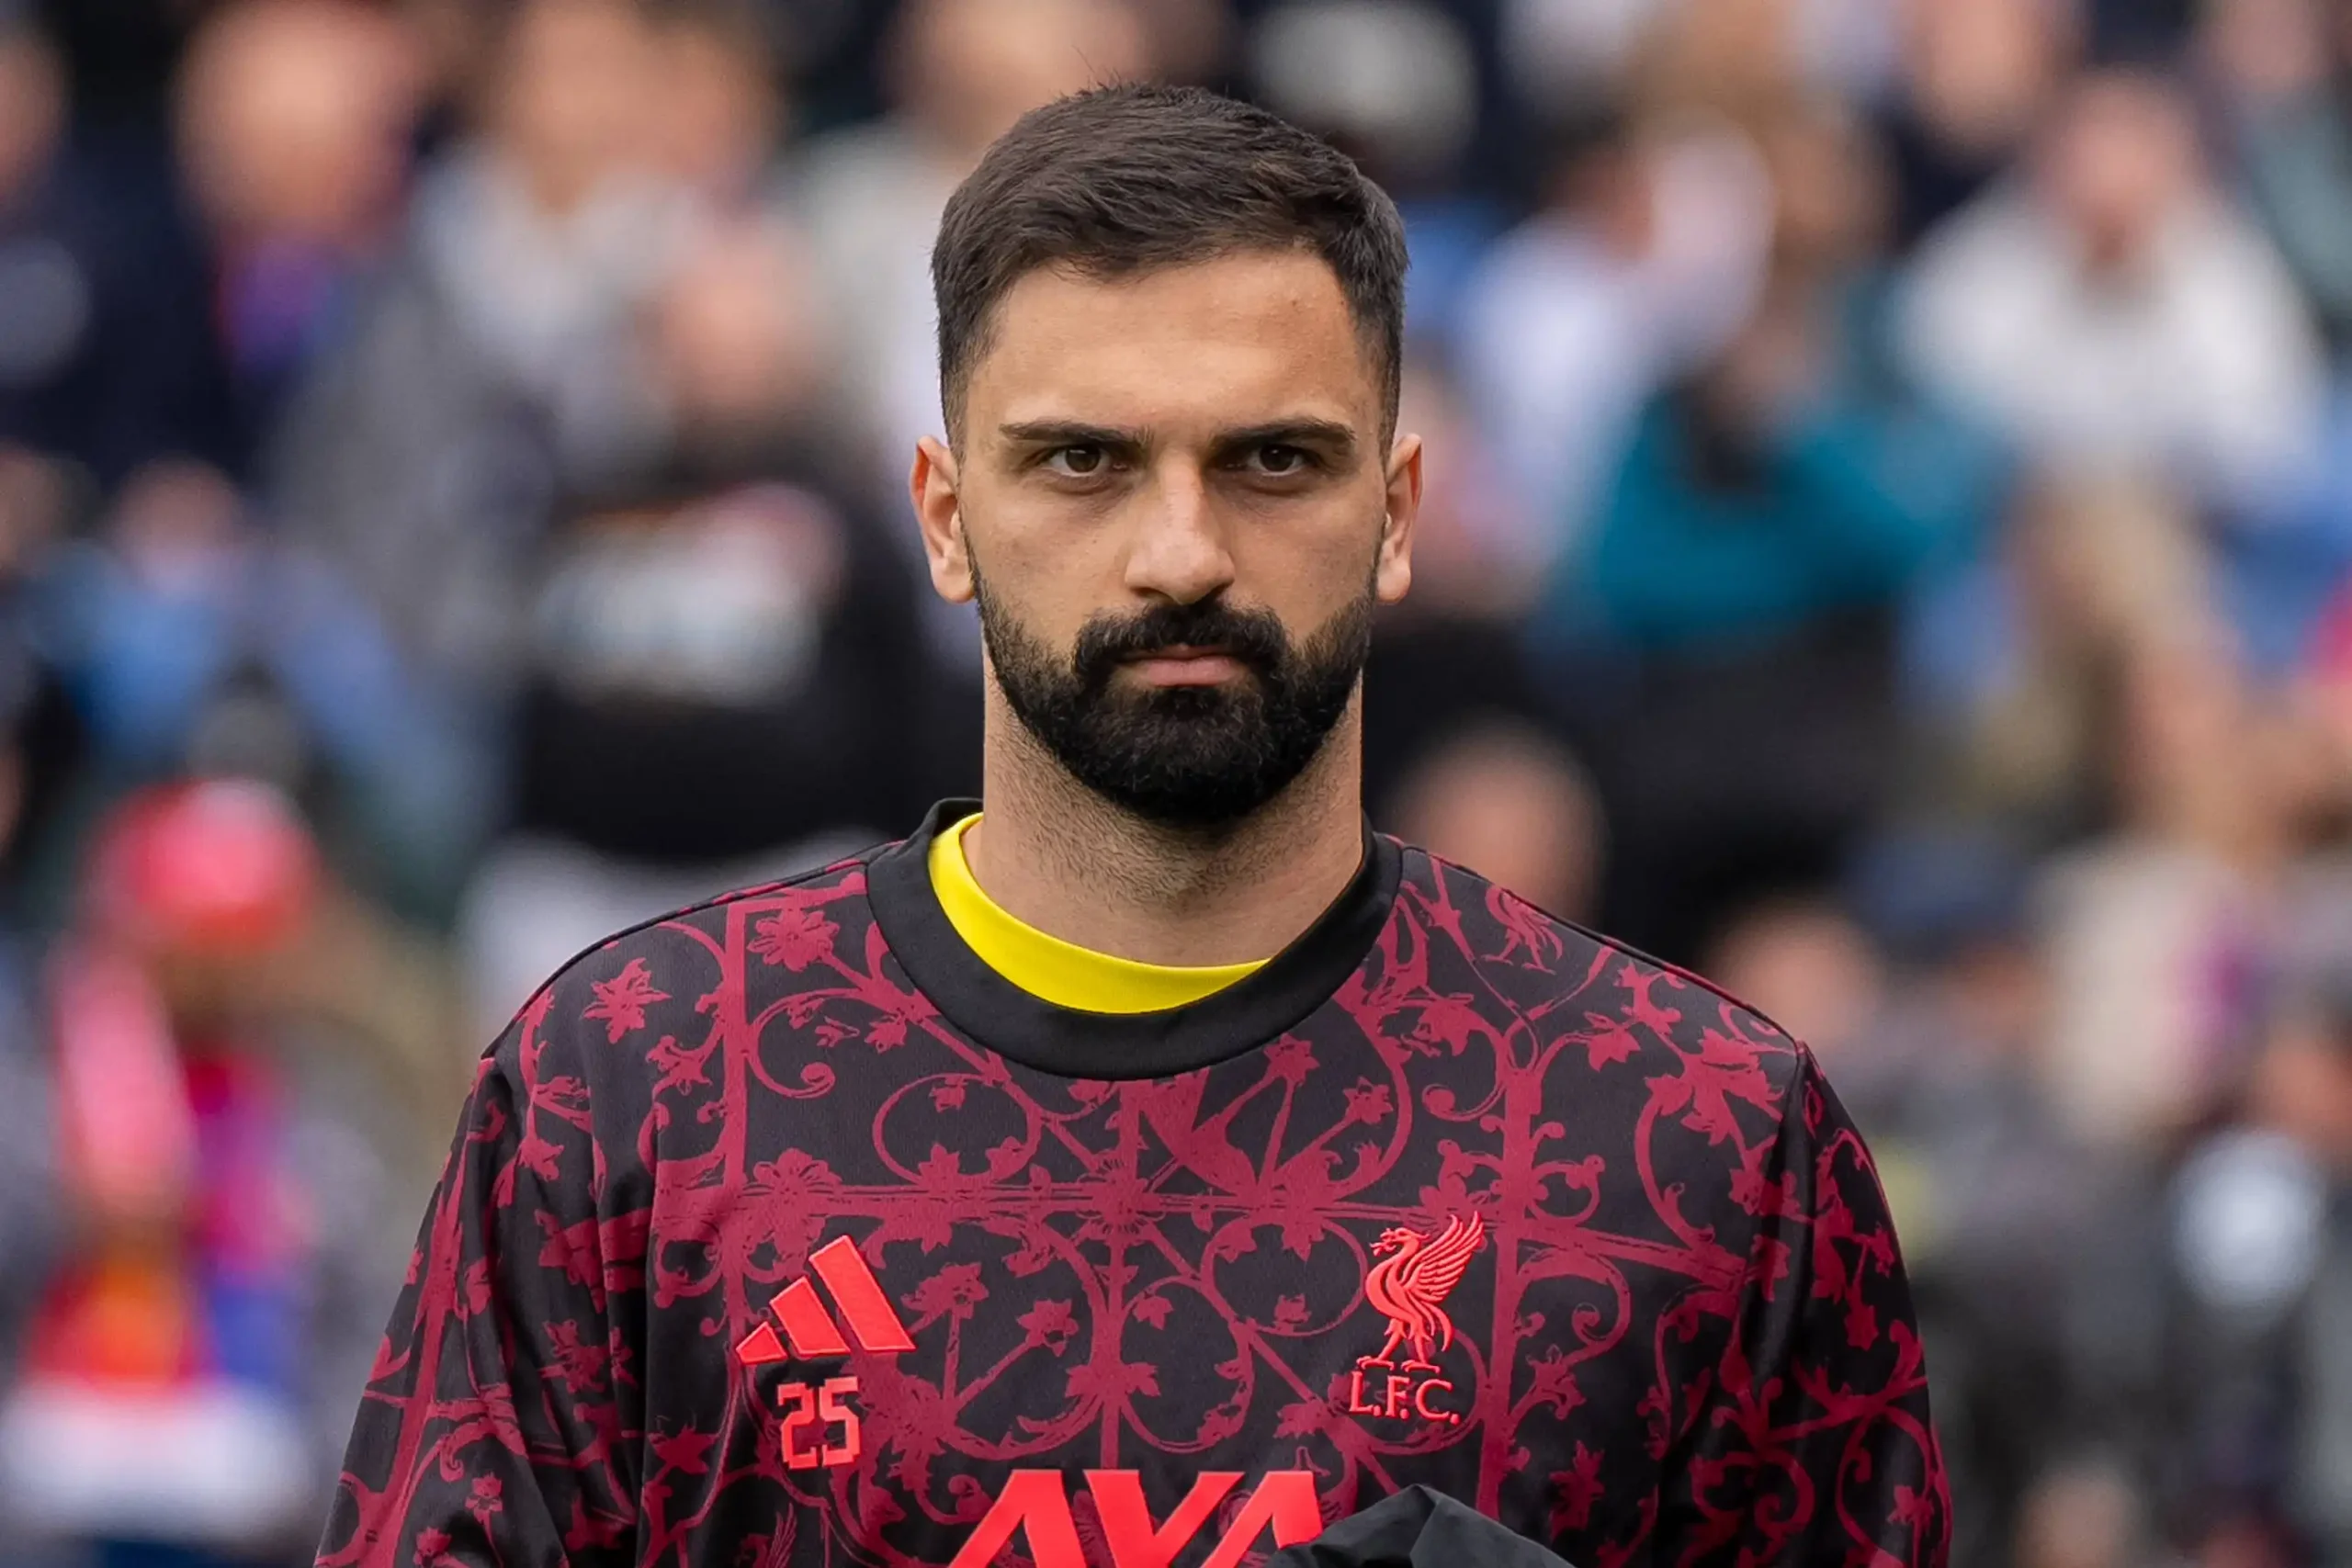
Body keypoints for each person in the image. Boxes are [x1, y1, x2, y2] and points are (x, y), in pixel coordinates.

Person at [316, 85, 1947, 1567]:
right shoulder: (629, 1093)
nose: (1181, 553)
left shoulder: (1699, 1137)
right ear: (946, 517)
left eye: (1275, 461)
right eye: (1083, 461)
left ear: (1397, 514)